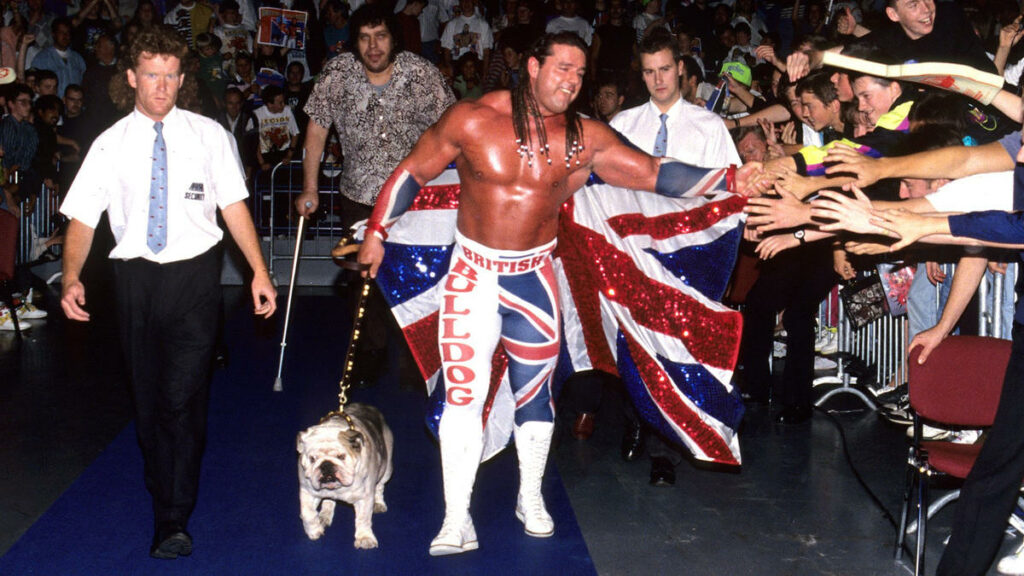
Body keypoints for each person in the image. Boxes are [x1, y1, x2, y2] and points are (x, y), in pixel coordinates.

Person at [355, 31, 754, 556]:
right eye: (562, 68)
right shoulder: (472, 117)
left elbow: (656, 175)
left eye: (580, 73)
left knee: (535, 396)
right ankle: (456, 517)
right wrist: (377, 231)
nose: (571, 81)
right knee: (463, 398)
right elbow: (413, 170)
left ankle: (530, 497)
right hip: (472, 278)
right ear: (533, 67)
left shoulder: (585, 137)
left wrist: (732, 177)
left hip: (533, 280)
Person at [58, 24, 277, 560]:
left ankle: (172, 517)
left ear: (183, 80)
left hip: (194, 278)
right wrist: (70, 276)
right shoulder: (109, 144)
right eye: (151, 74)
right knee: (148, 400)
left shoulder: (210, 135)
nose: (161, 85)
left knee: (182, 399)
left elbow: (233, 206)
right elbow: (83, 218)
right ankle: (163, 482)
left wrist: (259, 271)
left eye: (171, 75)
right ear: (132, 78)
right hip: (134, 281)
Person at [607, 27, 741, 486]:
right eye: (649, 72)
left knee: (676, 346)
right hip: (635, 251)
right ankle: (638, 417)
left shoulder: (709, 126)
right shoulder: (623, 126)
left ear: (681, 69)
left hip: (688, 253)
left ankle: (665, 449)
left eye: (665, 69)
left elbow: (729, 194)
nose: (658, 80)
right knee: (633, 342)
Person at [295, 4, 455, 386]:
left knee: (417, 278)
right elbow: (316, 131)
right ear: (354, 42)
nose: (373, 46)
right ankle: (371, 351)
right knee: (364, 281)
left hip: (414, 198)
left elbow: (452, 127)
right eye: (364, 38)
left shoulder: (421, 73)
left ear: (393, 38)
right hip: (359, 195)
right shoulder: (336, 73)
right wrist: (310, 187)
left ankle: (418, 357)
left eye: (380, 36)